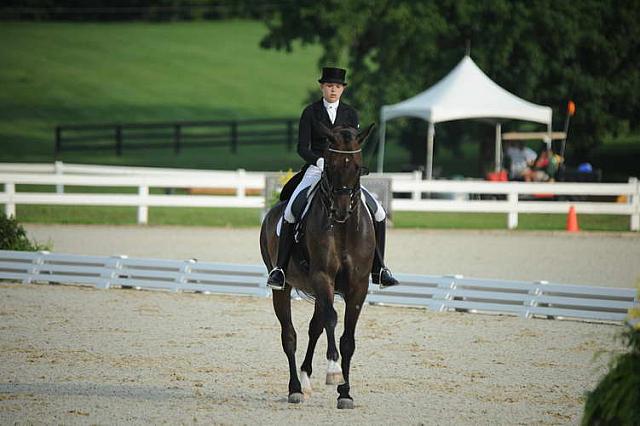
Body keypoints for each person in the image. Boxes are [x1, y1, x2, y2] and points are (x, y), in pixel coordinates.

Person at [266, 67, 399, 290]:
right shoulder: (310, 112)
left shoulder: (350, 114)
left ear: (343, 89)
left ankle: (380, 268)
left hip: (343, 174)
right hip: (316, 169)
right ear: (322, 87)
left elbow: (354, 147)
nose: (333, 90)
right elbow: (302, 147)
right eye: (329, 86)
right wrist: (318, 161)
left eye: (337, 86)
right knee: (290, 211)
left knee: (379, 212)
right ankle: (279, 269)